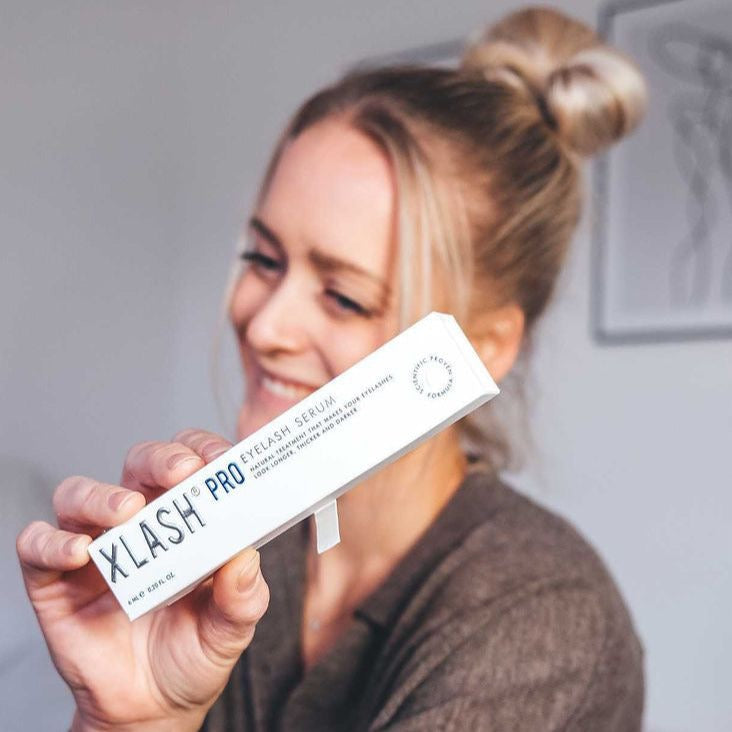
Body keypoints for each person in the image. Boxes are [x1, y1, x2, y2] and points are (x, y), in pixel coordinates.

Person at [16, 6, 648, 731]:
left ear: (484, 346)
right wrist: (129, 719)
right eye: (262, 258)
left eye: (345, 297)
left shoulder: (543, 620)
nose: (264, 324)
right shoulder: (240, 564)